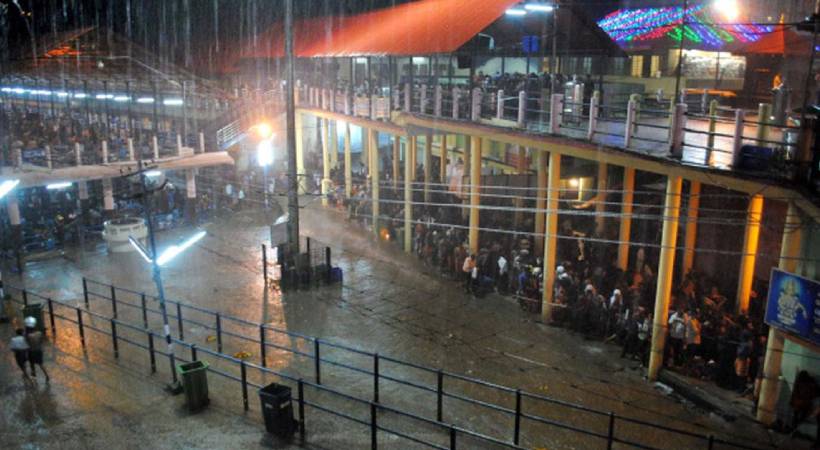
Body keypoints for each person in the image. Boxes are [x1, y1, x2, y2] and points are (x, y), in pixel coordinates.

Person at [24, 316, 49, 381]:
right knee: (41, 364)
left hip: (31, 351)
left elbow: (26, 343)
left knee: (32, 364)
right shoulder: (39, 333)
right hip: (39, 350)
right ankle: (46, 375)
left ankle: (34, 375)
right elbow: (42, 341)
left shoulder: (27, 335)